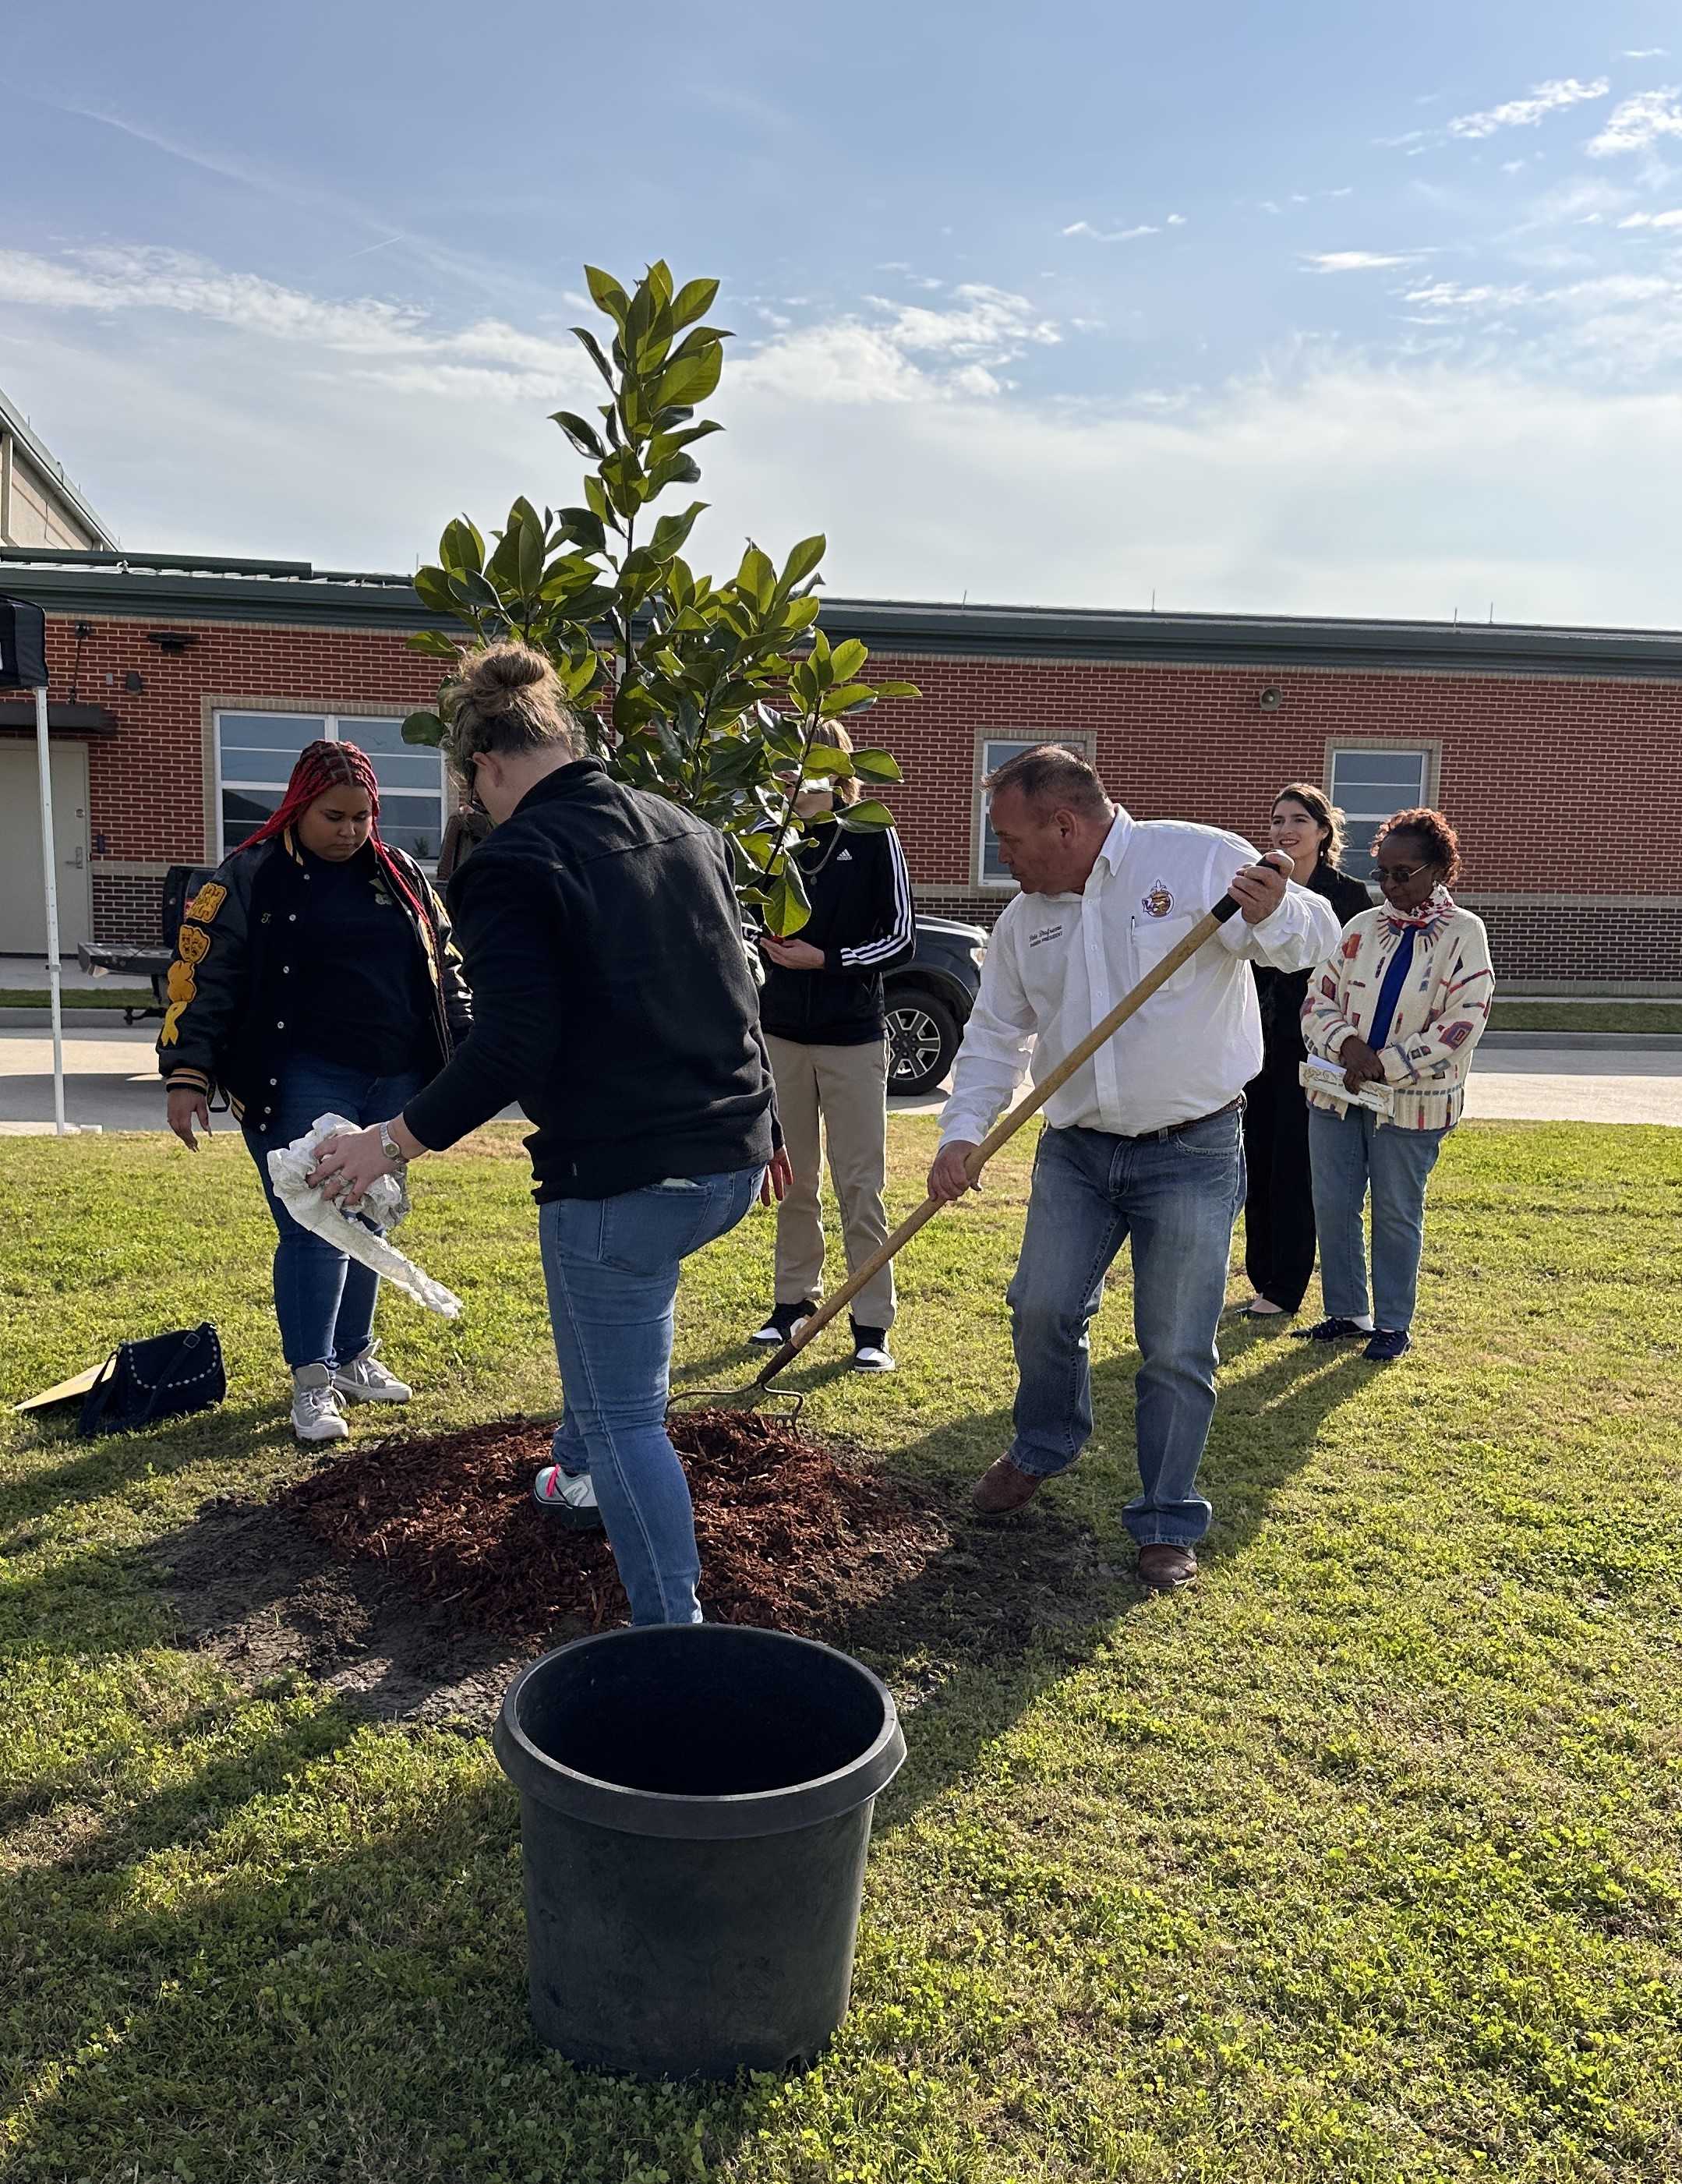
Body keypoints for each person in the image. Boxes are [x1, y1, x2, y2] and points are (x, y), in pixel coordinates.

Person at [303, 643, 791, 1628]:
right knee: (611, 1354)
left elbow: (514, 1046)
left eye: (471, 791)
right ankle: (572, 1473)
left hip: (621, 1179)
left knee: (627, 1420)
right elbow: (736, 988)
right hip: (730, 1163)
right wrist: (767, 1119)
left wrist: (388, 1142)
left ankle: (674, 1632)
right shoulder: (685, 828)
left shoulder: (513, 863)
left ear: (483, 767)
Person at [926, 746, 1341, 1591]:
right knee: (1039, 1306)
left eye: (1008, 838)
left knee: (1175, 1346)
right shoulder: (1023, 920)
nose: (1001, 855)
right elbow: (996, 1036)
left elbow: (1313, 943)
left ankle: (1165, 1516)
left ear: (1064, 824)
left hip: (1191, 1148)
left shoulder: (1195, 860)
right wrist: (961, 1132)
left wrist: (1273, 915)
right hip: (1075, 1149)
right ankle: (1044, 1444)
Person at [158, 740, 472, 1442]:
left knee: (368, 1215)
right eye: (333, 816)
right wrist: (188, 1074)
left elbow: (443, 971)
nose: (350, 831)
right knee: (315, 1220)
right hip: (296, 1072)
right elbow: (203, 978)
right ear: (298, 807)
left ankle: (355, 1356)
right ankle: (312, 1382)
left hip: (394, 1074)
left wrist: (466, 1049)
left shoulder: (402, 876)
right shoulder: (248, 877)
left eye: (363, 816)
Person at [1297, 807, 1493, 1362]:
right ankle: (1345, 1311)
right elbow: (1318, 998)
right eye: (1381, 872)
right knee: (1333, 1203)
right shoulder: (1361, 928)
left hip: (1412, 1104)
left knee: (1395, 1209)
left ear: (1438, 870)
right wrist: (1347, 1046)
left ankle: (1391, 1323)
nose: (1388, 884)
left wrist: (1389, 1063)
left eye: (1402, 874)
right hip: (1337, 1090)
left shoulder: (1464, 934)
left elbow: (1464, 1020)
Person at [748, 721, 915, 1373]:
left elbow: (901, 938)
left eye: (812, 758)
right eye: (788, 759)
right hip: (780, 1035)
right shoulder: (764, 837)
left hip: (852, 1038)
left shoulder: (874, 832)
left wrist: (829, 959)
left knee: (859, 1185)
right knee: (792, 1179)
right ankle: (792, 1304)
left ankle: (871, 1322)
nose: (797, 772)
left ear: (839, 766)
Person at [1238, 783, 1373, 1321]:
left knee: (1295, 1166)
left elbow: (1355, 979)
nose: (1284, 830)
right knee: (1256, 1162)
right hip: (1255, 1049)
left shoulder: (1347, 895)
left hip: (1312, 1051)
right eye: (1276, 820)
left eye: (1298, 819)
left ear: (1323, 831)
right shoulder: (1258, 883)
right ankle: (1262, 1275)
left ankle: (1286, 1286)